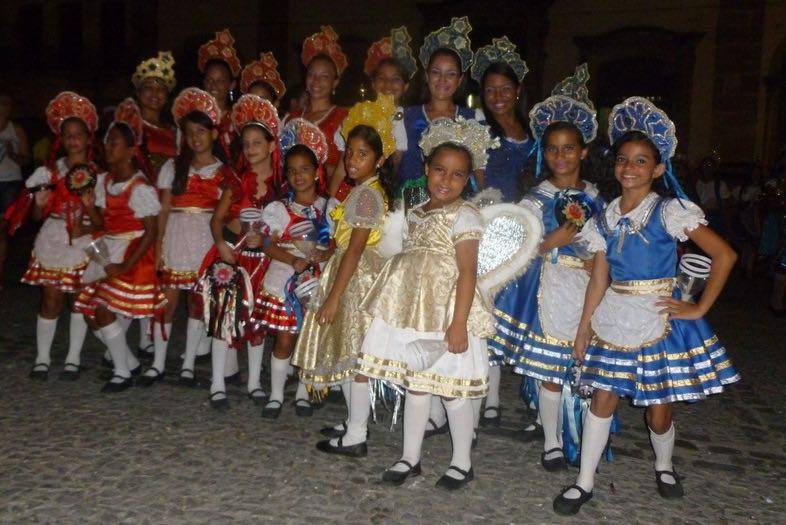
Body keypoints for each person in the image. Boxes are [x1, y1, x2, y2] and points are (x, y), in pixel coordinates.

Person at [552, 97, 740, 515]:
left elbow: (724, 255)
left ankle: (664, 464)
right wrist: (584, 329)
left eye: (641, 161)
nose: (630, 168)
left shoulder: (670, 211)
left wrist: (698, 308)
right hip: (614, 317)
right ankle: (584, 481)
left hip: (658, 320)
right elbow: (599, 277)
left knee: (658, 412)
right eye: (623, 159)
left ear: (657, 169)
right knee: (603, 399)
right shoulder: (604, 217)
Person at [357, 117, 497, 490]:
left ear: (467, 180)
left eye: (457, 174)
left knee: (450, 389)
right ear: (426, 169)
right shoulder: (417, 212)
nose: (446, 180)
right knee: (417, 385)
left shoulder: (465, 215)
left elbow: (467, 272)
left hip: (448, 312)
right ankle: (410, 457)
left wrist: (458, 324)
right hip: (414, 309)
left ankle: (462, 461)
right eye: (439, 170)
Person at [487, 67, 604, 469]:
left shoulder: (597, 198)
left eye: (569, 148)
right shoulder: (536, 198)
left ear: (583, 152)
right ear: (544, 153)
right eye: (552, 149)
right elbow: (513, 244)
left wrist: (597, 262)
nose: (561, 156)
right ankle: (552, 440)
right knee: (551, 367)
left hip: (589, 289)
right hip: (550, 288)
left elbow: (609, 243)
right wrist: (548, 243)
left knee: (584, 366)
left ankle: (583, 432)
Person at [291, 96, 396, 456]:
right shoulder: (362, 191)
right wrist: (328, 253)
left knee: (354, 355)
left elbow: (356, 249)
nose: (352, 160)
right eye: (349, 152)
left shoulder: (366, 196)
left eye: (362, 154)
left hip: (355, 278)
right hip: (350, 270)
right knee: (349, 352)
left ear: (378, 160)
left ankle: (357, 434)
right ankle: (354, 421)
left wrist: (334, 297)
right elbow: (347, 243)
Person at [74, 101, 164, 392]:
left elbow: (151, 231)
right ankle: (129, 362)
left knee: (101, 310)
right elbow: (104, 222)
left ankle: (123, 372)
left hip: (131, 253)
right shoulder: (105, 181)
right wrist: (89, 208)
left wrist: (126, 264)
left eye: (114, 143)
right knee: (90, 312)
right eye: (107, 142)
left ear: (130, 150)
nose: (108, 147)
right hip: (107, 248)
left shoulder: (139, 188)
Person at [200, 94, 282, 408]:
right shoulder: (235, 182)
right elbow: (217, 219)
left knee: (256, 320)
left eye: (257, 143)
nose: (250, 149)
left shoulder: (282, 186)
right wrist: (222, 244)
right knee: (226, 317)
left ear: (271, 146)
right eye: (245, 144)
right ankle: (217, 383)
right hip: (235, 259)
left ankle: (254, 383)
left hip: (265, 261)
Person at [11, 92, 99, 381]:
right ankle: (42, 358)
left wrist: (86, 224)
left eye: (78, 135)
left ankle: (73, 358)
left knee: (79, 300)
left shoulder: (98, 173)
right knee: (51, 299)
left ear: (88, 138)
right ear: (61, 139)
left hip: (84, 240)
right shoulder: (49, 172)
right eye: (68, 135)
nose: (73, 140)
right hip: (53, 237)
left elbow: (105, 218)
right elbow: (37, 217)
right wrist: (39, 204)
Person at [153, 88, 234, 387]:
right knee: (166, 301)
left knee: (198, 303)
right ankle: (158, 363)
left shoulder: (224, 173)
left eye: (201, 131)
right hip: (175, 238)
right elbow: (163, 209)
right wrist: (158, 244)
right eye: (189, 133)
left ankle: (188, 363)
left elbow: (227, 214)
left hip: (204, 240)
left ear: (214, 133)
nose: (195, 138)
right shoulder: (173, 167)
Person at [253, 118, 333, 419]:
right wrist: (292, 261)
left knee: (308, 338)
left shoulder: (329, 209)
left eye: (305, 169)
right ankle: (276, 394)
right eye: (292, 170)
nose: (299, 176)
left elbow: (337, 245)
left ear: (317, 172)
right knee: (285, 338)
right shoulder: (279, 209)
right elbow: (265, 244)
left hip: (317, 281)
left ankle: (302, 392)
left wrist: (324, 255)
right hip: (284, 277)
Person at [327, 26, 416, 198]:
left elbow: (396, 162)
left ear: (405, 86)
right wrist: (329, 200)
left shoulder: (407, 118)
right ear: (373, 84)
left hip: (383, 192)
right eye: (382, 78)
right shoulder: (360, 113)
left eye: (395, 79)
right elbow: (343, 162)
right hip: (350, 191)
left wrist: (385, 194)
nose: (388, 84)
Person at [397, 17, 482, 194]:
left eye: (450, 74)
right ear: (426, 76)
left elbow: (478, 173)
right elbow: (394, 167)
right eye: (436, 72)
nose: (442, 80)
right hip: (411, 204)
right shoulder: (403, 117)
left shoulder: (474, 119)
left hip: (456, 205)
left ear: (460, 80)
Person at [130, 51, 179, 358]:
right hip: (134, 206)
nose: (154, 93)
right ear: (138, 92)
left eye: (161, 89)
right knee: (131, 267)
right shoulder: (128, 125)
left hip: (162, 207)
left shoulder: (173, 132)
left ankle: (147, 334)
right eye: (149, 87)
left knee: (154, 270)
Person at [285, 26, 349, 185]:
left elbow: (348, 166)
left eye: (324, 76)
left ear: (335, 82)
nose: (316, 81)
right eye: (312, 74)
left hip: (334, 193)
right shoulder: (292, 118)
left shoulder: (344, 117)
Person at [471, 37, 532, 202]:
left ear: (517, 90)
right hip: (491, 212)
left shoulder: (532, 132)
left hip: (529, 212)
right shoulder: (478, 132)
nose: (498, 97)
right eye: (490, 90)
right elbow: (478, 185)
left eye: (505, 89)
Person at [0, 89, 31, 288]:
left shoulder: (15, 129)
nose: (4, 107)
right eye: (1, 102)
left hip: (9, 183)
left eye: (7, 103)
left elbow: (26, 160)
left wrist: (12, 154)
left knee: (1, 230)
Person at [198, 29, 242, 162]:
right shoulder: (194, 116)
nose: (213, 85)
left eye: (220, 81)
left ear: (232, 84)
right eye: (209, 80)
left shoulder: (238, 119)